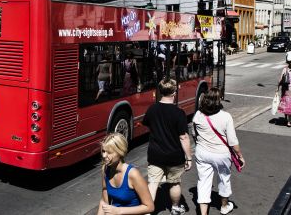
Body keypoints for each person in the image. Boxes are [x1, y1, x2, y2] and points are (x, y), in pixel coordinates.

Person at [142, 78, 192, 215]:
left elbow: (147, 124)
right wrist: (189, 158)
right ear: (174, 92)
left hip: (155, 154)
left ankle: (147, 211)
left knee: (153, 183)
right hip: (174, 156)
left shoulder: (152, 109)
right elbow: (184, 137)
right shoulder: (179, 113)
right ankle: (175, 207)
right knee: (174, 183)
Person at [192, 87, 244, 215]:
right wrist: (240, 156)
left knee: (203, 182)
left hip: (202, 152)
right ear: (218, 100)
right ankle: (224, 206)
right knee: (224, 179)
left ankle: (203, 213)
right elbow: (232, 141)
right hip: (221, 154)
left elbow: (194, 134)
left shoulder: (198, 115)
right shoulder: (226, 116)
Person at [97, 133, 154, 215]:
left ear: (120, 152)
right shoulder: (106, 169)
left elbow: (149, 207)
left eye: (109, 152)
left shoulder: (133, 174)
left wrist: (118, 211)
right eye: (103, 151)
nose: (104, 155)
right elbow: (104, 201)